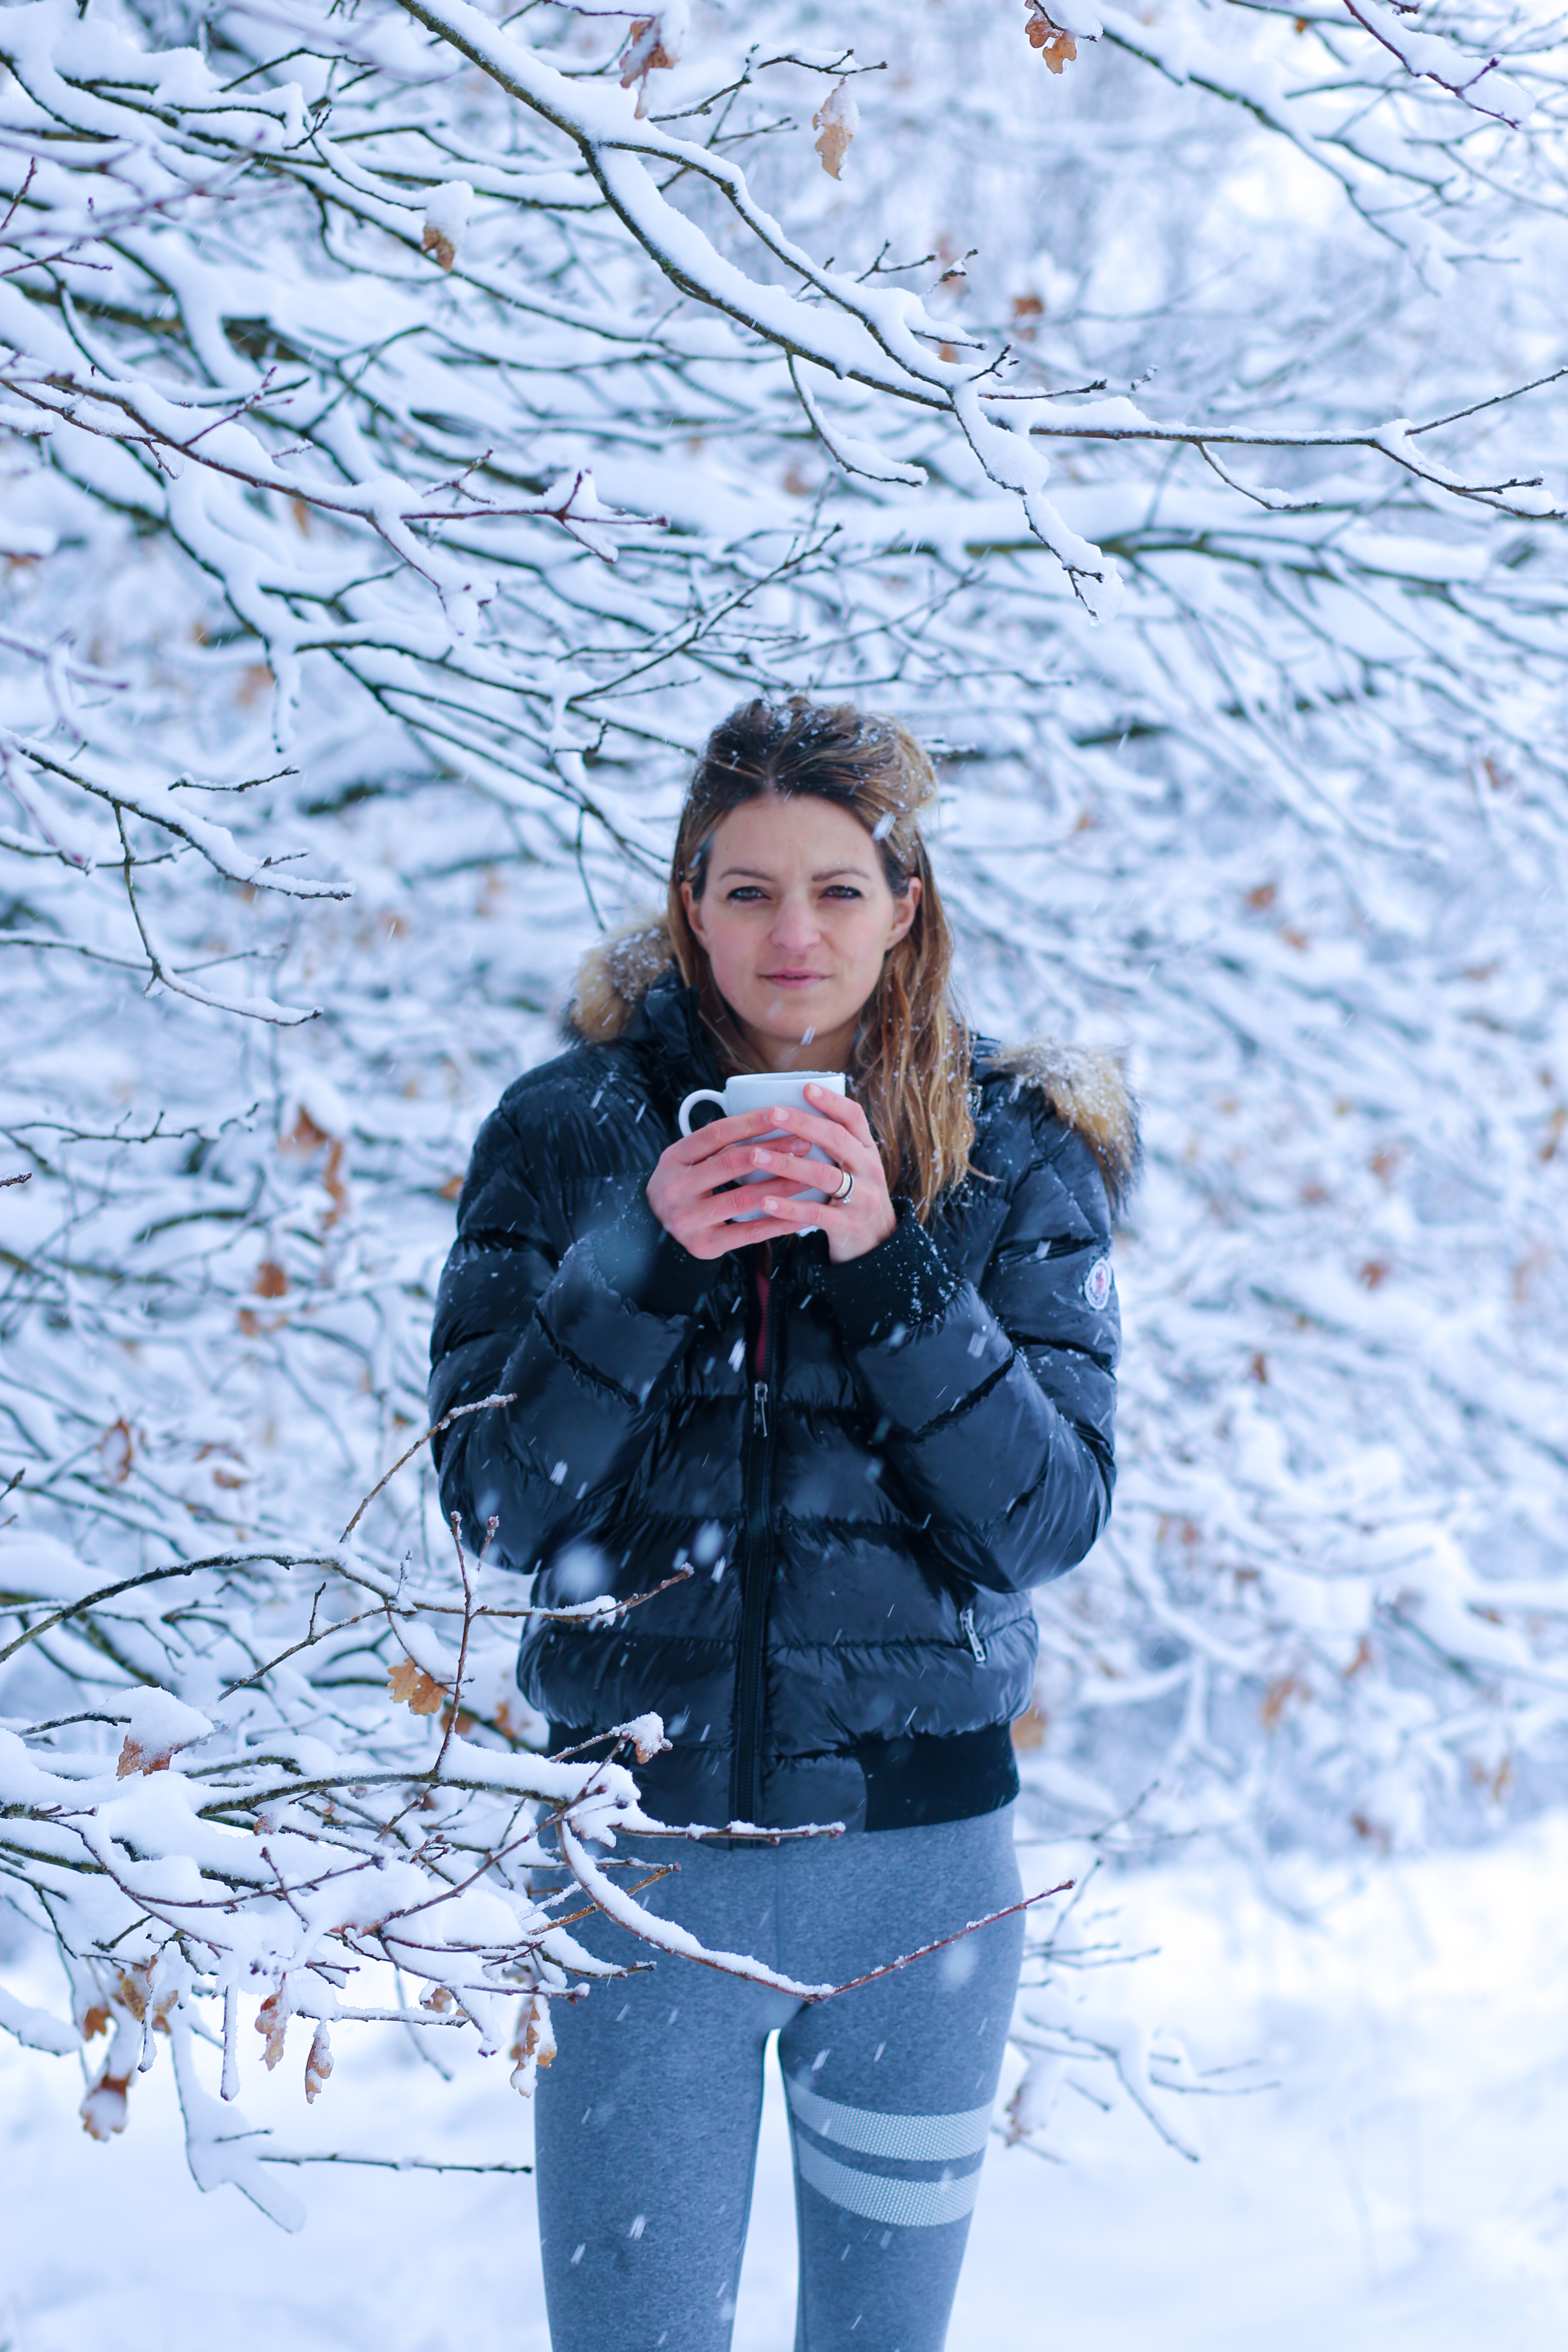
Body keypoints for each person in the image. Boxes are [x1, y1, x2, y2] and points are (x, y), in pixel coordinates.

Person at [429, 698, 1137, 2352]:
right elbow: (495, 1503)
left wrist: (889, 1267)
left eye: (836, 888)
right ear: (688, 900)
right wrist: (649, 1264)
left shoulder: (1016, 1150)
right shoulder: (566, 1134)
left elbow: (1043, 1517)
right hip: (637, 1865)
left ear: (907, 902)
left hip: (920, 1891)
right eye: (745, 889)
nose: (792, 933)